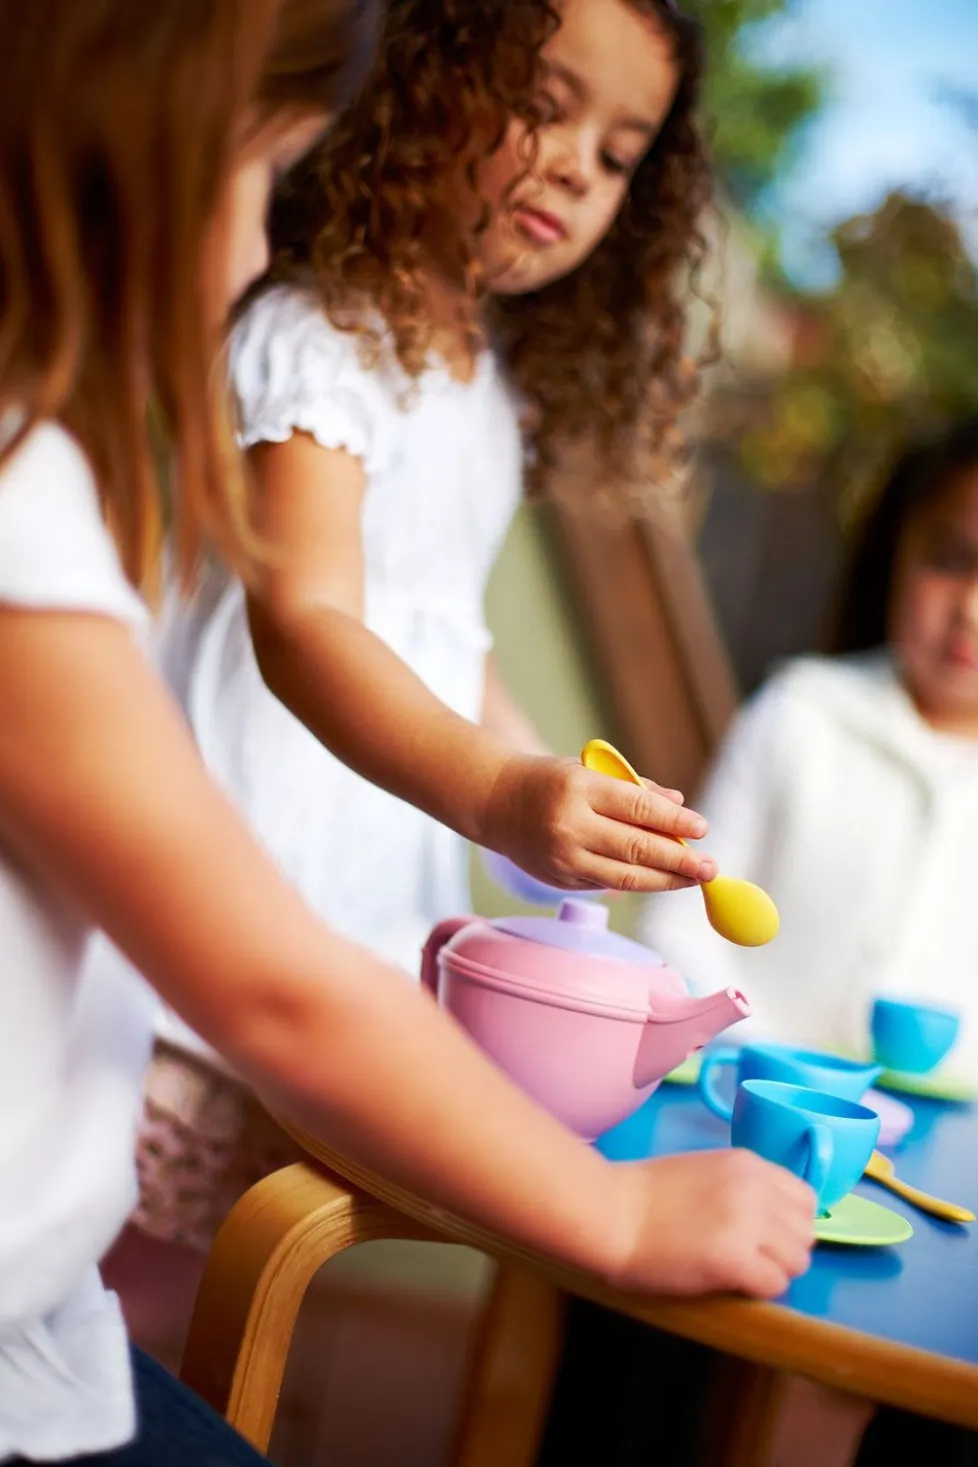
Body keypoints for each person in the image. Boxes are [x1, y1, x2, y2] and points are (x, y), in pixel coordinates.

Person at [0, 0, 817, 1461]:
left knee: (219, 1296)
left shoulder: (484, 394)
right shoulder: (315, 331)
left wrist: (566, 790)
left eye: (619, 150)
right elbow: (310, 621)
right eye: (540, 102)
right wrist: (499, 788)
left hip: (350, 933)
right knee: (143, 1283)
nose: (573, 165)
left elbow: (451, 641)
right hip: (230, 920)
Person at [641, 418, 978, 1083]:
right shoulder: (799, 712)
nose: (971, 607)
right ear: (896, 553)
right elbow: (677, 926)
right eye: (950, 559)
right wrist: (766, 1060)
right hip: (743, 1105)